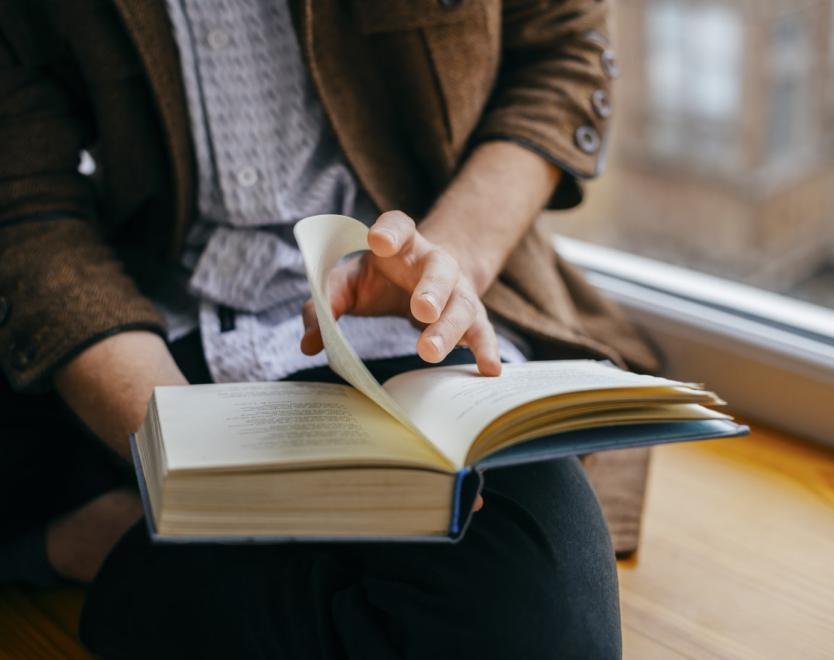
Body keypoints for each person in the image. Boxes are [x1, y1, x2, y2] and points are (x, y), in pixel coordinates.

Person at [0, 0, 658, 657]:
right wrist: (185, 456)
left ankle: (119, 542)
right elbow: (28, 204)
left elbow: (563, 52)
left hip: (406, 325)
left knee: (543, 628)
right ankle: (147, 534)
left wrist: (448, 261)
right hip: (140, 331)